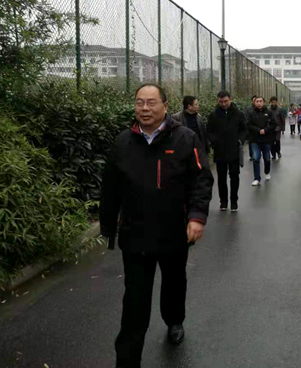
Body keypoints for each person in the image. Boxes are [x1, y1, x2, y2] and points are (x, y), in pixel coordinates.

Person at [100, 84, 214, 368]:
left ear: (165, 105)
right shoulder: (123, 142)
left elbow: (201, 179)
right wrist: (108, 226)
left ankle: (174, 319)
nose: (145, 108)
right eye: (139, 103)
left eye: (151, 103)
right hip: (135, 234)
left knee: (174, 282)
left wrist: (196, 217)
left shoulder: (185, 138)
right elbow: (110, 188)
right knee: (134, 301)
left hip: (174, 231)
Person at [207, 90, 246, 212]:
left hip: (234, 150)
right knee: (221, 178)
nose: (223, 104)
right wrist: (214, 141)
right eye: (221, 102)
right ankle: (223, 201)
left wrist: (240, 141)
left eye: (226, 101)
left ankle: (234, 201)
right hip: (220, 151)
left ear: (231, 99)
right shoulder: (214, 114)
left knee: (234, 177)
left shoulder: (239, 114)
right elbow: (209, 130)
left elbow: (244, 129)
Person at [247, 96, 276, 186]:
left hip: (266, 139)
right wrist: (258, 130)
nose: (259, 103)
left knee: (267, 158)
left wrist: (265, 130)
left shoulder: (269, 113)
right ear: (254, 102)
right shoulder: (251, 113)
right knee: (256, 158)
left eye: (260, 101)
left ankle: (267, 172)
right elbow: (248, 125)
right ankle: (257, 178)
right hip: (255, 139)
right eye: (257, 101)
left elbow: (273, 124)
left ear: (264, 102)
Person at [247, 96, 258, 161]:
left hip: (258, 129)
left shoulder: (260, 109)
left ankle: (257, 153)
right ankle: (252, 155)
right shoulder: (249, 109)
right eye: (254, 101)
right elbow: (246, 118)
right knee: (251, 142)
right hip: (250, 129)